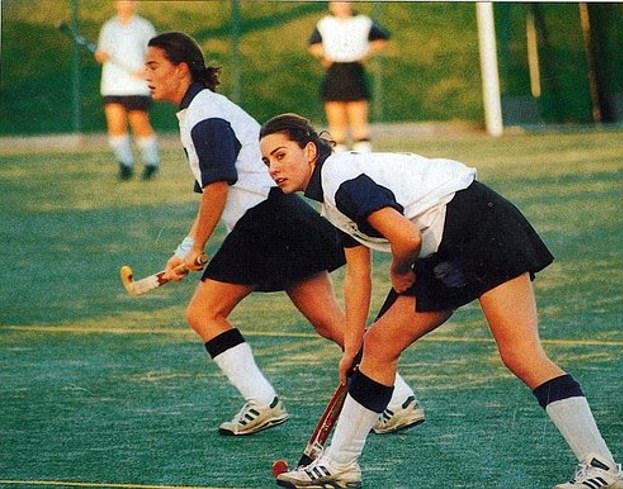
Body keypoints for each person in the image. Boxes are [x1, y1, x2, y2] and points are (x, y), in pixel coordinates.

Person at [259, 113, 623, 489]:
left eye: (280, 155)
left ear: (309, 151)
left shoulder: (340, 180)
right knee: (379, 345)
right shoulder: (330, 200)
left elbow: (405, 237)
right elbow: (358, 275)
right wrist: (352, 344)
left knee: (521, 354)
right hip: (458, 232)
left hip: (476, 227)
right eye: (266, 161)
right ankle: (339, 464)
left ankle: (602, 468)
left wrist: (401, 270)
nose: (273, 168)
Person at [143, 32, 424, 437]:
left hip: (267, 223)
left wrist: (193, 245)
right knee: (331, 323)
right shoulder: (200, 112)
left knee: (204, 313)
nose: (146, 74)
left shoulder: (205, 115)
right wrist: (197, 246)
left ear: (181, 69)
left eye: (154, 66)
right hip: (280, 218)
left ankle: (261, 401)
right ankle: (398, 400)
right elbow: (222, 190)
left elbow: (219, 186)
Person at [308, 1, 389, 153]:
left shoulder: (363, 22)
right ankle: (339, 157)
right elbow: (313, 45)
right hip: (335, 72)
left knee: (358, 118)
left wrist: (366, 54)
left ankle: (364, 157)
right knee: (336, 120)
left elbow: (382, 39)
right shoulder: (325, 23)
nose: (340, 5)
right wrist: (324, 56)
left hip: (354, 71)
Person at [95, 0, 160, 181]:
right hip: (112, 84)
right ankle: (125, 165)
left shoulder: (144, 26)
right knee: (116, 125)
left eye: (130, 1)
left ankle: (151, 164)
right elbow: (101, 54)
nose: (126, 4)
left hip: (136, 86)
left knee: (139, 123)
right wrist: (101, 55)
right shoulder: (108, 27)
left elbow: (154, 54)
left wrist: (146, 69)